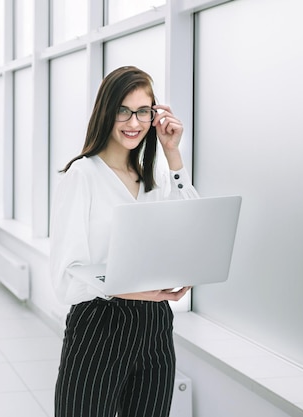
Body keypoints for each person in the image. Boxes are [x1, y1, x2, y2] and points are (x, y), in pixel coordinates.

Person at [49, 66, 200, 417]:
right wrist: (129, 290)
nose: (134, 122)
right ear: (106, 111)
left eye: (143, 111)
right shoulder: (82, 176)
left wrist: (173, 154)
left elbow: (190, 229)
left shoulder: (157, 178)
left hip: (155, 324)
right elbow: (66, 276)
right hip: (99, 325)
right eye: (123, 110)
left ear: (155, 115)